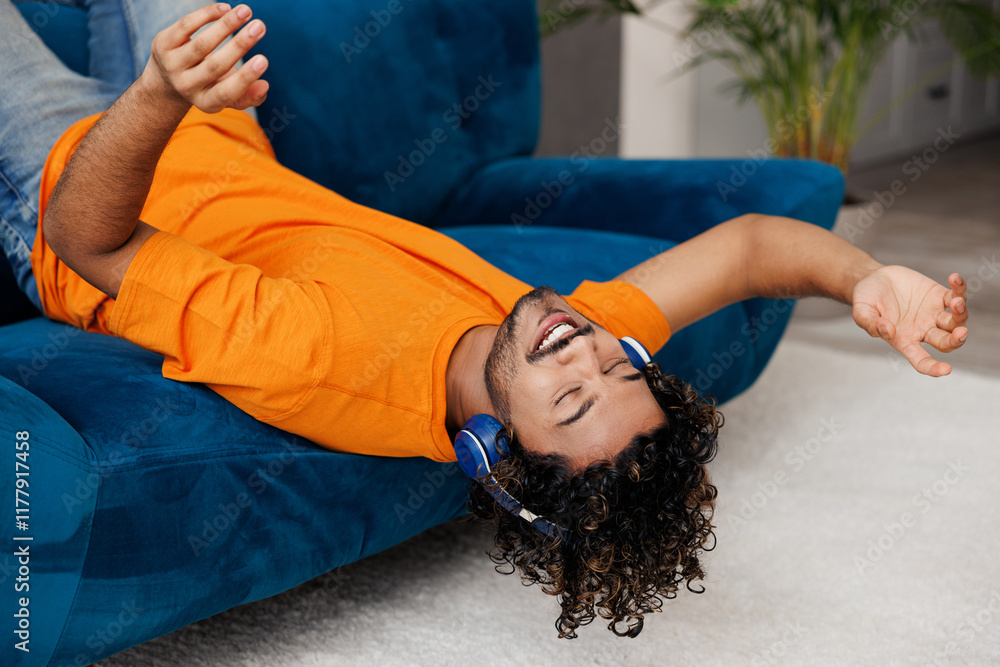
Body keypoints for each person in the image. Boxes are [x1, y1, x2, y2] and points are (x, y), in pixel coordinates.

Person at [0, 0, 971, 640]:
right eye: (620, 368)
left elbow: (95, 244)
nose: (583, 351)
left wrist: (162, 92)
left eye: (573, 399)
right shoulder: (540, 345)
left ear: (497, 453)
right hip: (218, 132)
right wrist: (864, 280)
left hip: (60, 178)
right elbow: (754, 247)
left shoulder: (326, 363)